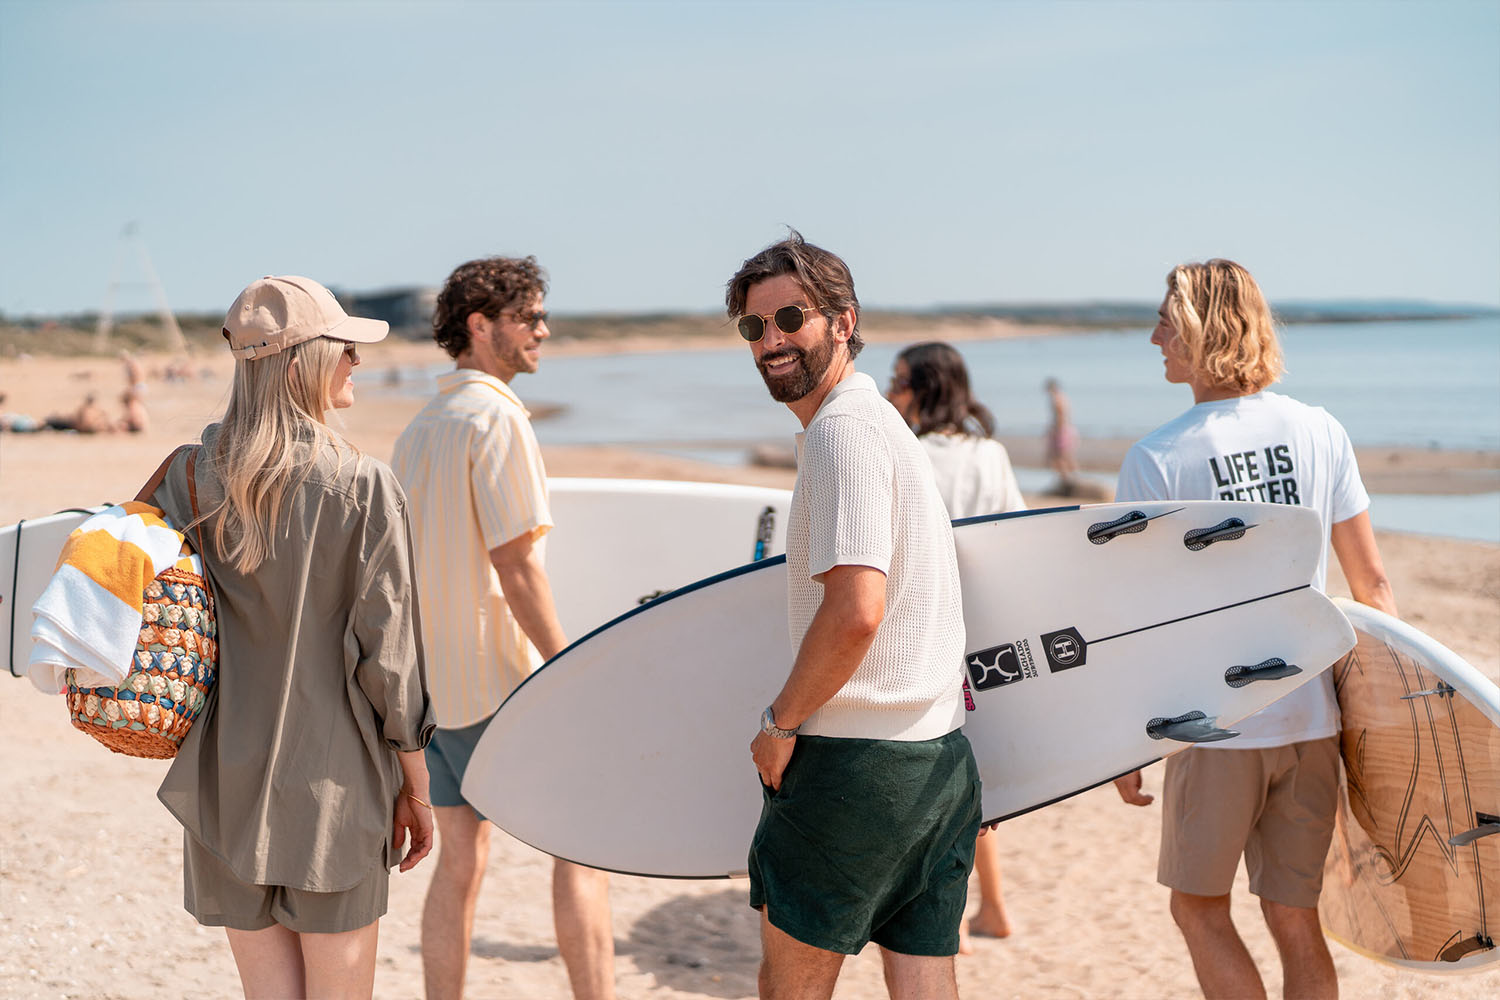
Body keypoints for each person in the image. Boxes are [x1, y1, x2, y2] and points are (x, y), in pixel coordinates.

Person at [1111, 259, 1396, 1000]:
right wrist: (1391, 722)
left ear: (1204, 331)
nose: (1154, 339)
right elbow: (1373, 586)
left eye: (1167, 324)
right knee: (1294, 917)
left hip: (1217, 723)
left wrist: (1120, 737)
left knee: (1198, 909)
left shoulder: (1160, 458)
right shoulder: (1320, 431)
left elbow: (1140, 621)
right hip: (1313, 719)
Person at [148, 274, 436, 999]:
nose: (356, 364)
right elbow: (390, 660)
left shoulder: (186, 476)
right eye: (344, 350)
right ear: (301, 361)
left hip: (221, 776)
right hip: (332, 783)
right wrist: (417, 785)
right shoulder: (364, 487)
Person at [727, 232, 982, 1000]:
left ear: (843, 321)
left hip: (854, 769)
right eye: (753, 326)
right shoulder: (877, 425)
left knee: (790, 988)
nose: (771, 339)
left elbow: (857, 610)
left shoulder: (841, 433)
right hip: (937, 762)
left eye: (790, 317)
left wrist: (780, 725)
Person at [391, 256, 615, 1000]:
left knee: (461, 862)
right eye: (531, 317)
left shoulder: (420, 428)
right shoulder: (497, 418)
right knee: (579, 850)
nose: (544, 331)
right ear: (482, 327)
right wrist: (568, 667)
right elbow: (516, 566)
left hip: (434, 688)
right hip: (499, 680)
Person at [886, 341, 1018, 952]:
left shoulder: (902, 451)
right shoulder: (990, 455)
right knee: (970, 775)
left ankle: (957, 915)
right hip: (981, 629)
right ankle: (992, 906)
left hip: (917, 631)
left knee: (930, 775)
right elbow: (1015, 539)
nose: (891, 392)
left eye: (900, 381)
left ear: (927, 388)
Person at [1043, 377, 1078, 491]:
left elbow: (1060, 416)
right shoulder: (1062, 397)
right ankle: (1070, 480)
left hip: (1061, 430)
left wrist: (1055, 431)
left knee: (1059, 457)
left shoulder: (1057, 399)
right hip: (1065, 429)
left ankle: (1067, 483)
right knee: (1065, 457)